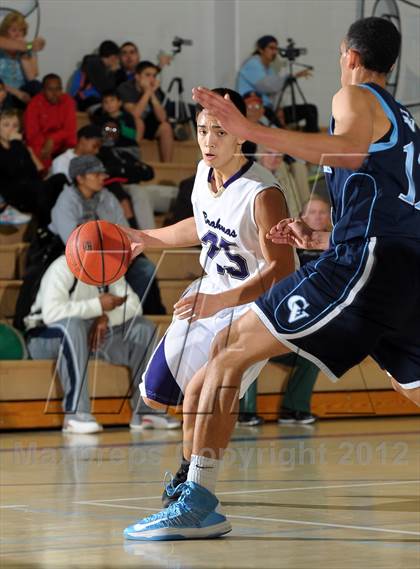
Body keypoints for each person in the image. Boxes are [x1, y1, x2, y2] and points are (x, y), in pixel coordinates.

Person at [124, 16, 420, 540]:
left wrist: (250, 131)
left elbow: (347, 152)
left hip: (367, 261)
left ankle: (197, 501)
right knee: (411, 383)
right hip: (400, 264)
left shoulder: (354, 98)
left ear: (348, 56)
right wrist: (322, 238)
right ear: (392, 62)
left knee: (231, 348)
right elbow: (394, 206)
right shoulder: (404, 121)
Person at [120, 87, 296, 537]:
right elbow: (199, 227)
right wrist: (147, 236)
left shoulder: (263, 193)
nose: (209, 140)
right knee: (159, 395)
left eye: (219, 130)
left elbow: (282, 268)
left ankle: (197, 492)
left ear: (240, 134)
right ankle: (190, 470)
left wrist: (222, 301)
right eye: (202, 130)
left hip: (254, 306)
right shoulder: (204, 172)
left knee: (205, 390)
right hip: (209, 295)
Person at [25, 255, 158, 434]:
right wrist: (97, 306)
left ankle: (145, 412)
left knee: (143, 328)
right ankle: (75, 414)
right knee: (73, 327)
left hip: (88, 333)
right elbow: (52, 313)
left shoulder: (110, 268)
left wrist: (106, 317)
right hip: (43, 335)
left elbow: (134, 306)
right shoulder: (63, 266)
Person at [49, 154, 166, 315]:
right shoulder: (66, 201)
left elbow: (125, 232)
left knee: (145, 269)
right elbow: (72, 244)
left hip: (112, 256)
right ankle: (98, 313)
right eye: (96, 174)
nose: (102, 177)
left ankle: (129, 314)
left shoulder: (108, 197)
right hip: (77, 260)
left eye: (103, 173)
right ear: (80, 178)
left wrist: (121, 255)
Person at [236, 35, 319, 132]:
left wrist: (278, 109)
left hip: (270, 109)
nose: (275, 52)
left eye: (276, 49)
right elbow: (267, 85)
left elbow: (274, 92)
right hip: (257, 110)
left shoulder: (269, 68)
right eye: (271, 48)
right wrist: (291, 77)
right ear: (261, 49)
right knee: (282, 135)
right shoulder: (252, 64)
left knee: (310, 110)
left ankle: (310, 142)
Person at [0, 109, 66, 226]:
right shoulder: (14, 145)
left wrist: (20, 147)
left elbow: (34, 173)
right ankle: (47, 228)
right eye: (6, 125)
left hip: (32, 189)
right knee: (38, 189)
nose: (11, 129)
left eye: (15, 126)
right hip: (13, 194)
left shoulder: (19, 146)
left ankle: (64, 222)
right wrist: (15, 143)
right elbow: (11, 171)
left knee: (60, 179)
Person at [118, 61, 174, 162]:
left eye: (154, 76)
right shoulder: (126, 88)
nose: (152, 79)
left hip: (148, 124)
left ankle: (167, 165)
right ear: (137, 77)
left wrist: (152, 95)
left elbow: (162, 118)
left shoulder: (156, 90)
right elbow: (134, 114)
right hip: (128, 125)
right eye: (148, 75)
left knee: (166, 127)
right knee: (139, 122)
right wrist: (148, 92)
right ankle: (133, 159)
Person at [24, 74, 77, 170]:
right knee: (36, 149)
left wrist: (52, 139)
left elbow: (70, 129)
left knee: (73, 145)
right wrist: (46, 146)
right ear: (43, 91)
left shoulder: (68, 101)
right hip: (42, 142)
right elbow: (31, 134)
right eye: (50, 89)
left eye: (58, 89)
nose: (55, 93)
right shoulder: (34, 104)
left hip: (61, 140)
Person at [0, 10, 45, 108]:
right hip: (5, 91)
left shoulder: (28, 48)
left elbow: (32, 77)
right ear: (5, 31)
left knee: (36, 85)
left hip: (22, 92)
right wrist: (17, 93)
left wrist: (24, 52)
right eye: (14, 30)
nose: (18, 34)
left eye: (21, 30)